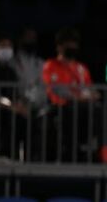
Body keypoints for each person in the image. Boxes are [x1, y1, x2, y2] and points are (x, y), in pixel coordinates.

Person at [41, 27, 97, 162]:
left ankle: (99, 149)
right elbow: (56, 90)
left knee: (105, 109)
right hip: (59, 107)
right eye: (69, 44)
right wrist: (78, 97)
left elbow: (91, 90)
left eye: (74, 44)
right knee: (72, 111)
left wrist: (90, 96)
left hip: (82, 106)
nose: (72, 47)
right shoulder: (51, 65)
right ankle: (70, 152)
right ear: (60, 47)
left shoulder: (81, 68)